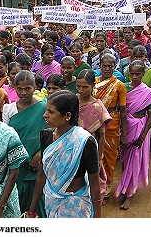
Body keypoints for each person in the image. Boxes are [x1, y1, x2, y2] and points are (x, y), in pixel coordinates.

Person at [29, 90, 101, 218]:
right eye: (46, 110)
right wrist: (32, 209)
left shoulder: (84, 141)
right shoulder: (46, 136)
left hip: (75, 205)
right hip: (51, 202)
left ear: (67, 115)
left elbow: (94, 182)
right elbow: (42, 174)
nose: (45, 115)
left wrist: (97, 216)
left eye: (51, 112)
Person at [3, 71, 48, 217]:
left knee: (36, 200)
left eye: (28, 88)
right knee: (17, 197)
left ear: (35, 87)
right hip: (16, 164)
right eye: (19, 89)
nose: (23, 92)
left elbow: (51, 133)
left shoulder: (44, 108)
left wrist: (40, 153)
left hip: (38, 163)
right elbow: (6, 137)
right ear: (14, 88)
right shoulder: (8, 109)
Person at [114, 61, 151, 210]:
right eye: (131, 73)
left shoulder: (148, 92)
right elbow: (120, 110)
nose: (134, 76)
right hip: (125, 126)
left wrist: (143, 136)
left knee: (135, 160)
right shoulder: (123, 87)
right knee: (125, 161)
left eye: (137, 74)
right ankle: (126, 186)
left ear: (143, 74)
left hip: (140, 128)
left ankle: (129, 194)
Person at [93, 53, 127, 202]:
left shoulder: (119, 85)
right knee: (94, 155)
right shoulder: (93, 82)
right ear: (99, 66)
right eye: (104, 65)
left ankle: (106, 186)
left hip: (112, 122)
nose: (107, 68)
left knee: (109, 157)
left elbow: (123, 110)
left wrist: (124, 132)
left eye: (110, 66)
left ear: (115, 67)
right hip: (94, 122)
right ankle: (95, 184)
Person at [76, 69, 112, 199]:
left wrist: (98, 158)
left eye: (85, 87)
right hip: (73, 147)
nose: (81, 90)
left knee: (91, 183)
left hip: (91, 148)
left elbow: (102, 135)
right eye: (78, 86)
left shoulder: (98, 106)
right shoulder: (73, 101)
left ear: (92, 86)